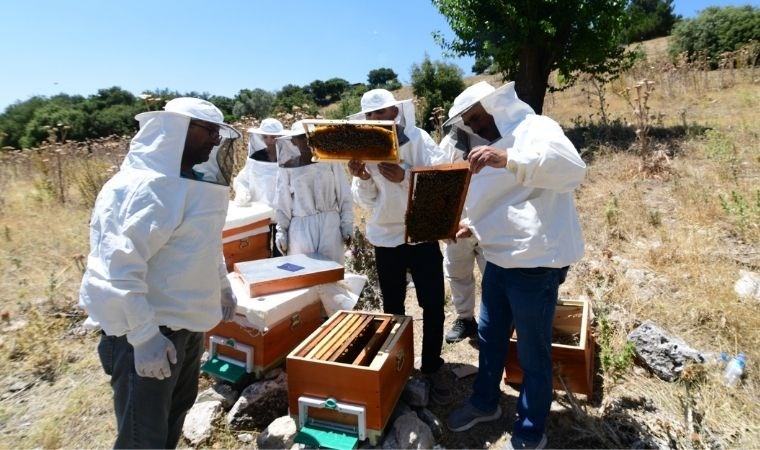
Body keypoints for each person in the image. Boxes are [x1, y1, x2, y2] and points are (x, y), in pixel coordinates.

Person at [78, 97, 241, 449]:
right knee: (143, 437)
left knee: (173, 419)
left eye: (218, 133)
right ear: (174, 132)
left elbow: (205, 244)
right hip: (149, 334)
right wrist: (143, 336)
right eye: (208, 131)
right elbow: (117, 269)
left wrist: (222, 286)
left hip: (184, 328)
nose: (216, 141)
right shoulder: (145, 187)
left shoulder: (192, 182)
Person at [443, 81, 586, 450]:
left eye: (477, 117)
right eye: (469, 123)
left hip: (536, 263)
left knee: (532, 351)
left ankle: (530, 430)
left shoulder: (537, 128)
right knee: (489, 336)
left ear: (496, 105)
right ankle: (485, 402)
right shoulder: (482, 146)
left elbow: (572, 170)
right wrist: (468, 226)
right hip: (498, 259)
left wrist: (508, 159)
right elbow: (494, 202)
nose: (476, 127)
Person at [346, 89, 451, 404]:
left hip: (422, 235)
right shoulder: (363, 149)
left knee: (432, 304)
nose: (377, 119)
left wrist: (405, 177)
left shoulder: (419, 139)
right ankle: (398, 366)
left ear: (395, 112)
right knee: (392, 307)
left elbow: (439, 184)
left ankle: (432, 366)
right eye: (371, 115)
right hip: (386, 239)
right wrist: (363, 177)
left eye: (382, 113)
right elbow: (366, 202)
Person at [433, 112, 491, 344]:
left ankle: (497, 321)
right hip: (458, 222)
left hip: (490, 219)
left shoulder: (497, 137)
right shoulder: (447, 144)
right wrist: (446, 220)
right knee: (458, 272)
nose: (469, 125)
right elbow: (438, 181)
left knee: (494, 274)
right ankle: (466, 319)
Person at [273, 121, 353, 264]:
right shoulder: (287, 168)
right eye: (301, 137)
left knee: (331, 275)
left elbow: (344, 194)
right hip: (301, 229)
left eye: (309, 136)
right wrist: (281, 231)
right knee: (304, 276)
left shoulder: (331, 161)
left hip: (330, 226)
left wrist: (346, 225)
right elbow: (283, 201)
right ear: (293, 141)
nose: (306, 141)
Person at [232, 118, 288, 256]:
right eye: (266, 137)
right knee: (260, 250)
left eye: (273, 137)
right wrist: (242, 191)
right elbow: (243, 179)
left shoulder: (287, 157)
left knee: (281, 251)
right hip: (260, 212)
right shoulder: (256, 157)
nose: (269, 140)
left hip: (283, 212)